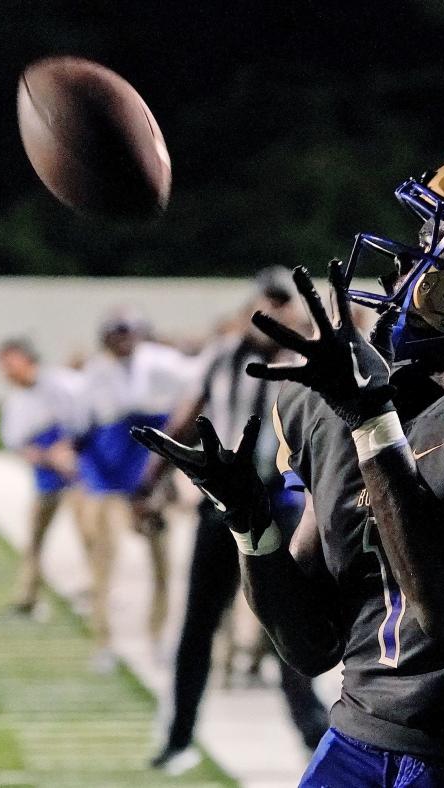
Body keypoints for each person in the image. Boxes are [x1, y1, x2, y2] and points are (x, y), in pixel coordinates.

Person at [136, 150, 444, 786]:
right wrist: (251, 525)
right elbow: (311, 642)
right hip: (354, 742)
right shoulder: (349, 400)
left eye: (441, 244)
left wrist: (374, 425)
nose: (409, 262)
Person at [139, 267, 329, 774]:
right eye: (263, 304)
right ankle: (179, 735)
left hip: (283, 506)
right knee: (198, 623)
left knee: (289, 627)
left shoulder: (306, 363)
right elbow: (185, 417)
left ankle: (313, 734)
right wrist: (151, 477)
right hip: (220, 508)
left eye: (280, 305)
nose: (271, 315)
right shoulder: (223, 357)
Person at [75, 308, 196, 672]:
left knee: (161, 565)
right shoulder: (95, 375)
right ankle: (104, 641)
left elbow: (197, 384)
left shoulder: (160, 364)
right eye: (117, 334)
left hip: (148, 483)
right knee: (103, 566)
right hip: (109, 482)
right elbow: (83, 430)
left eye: (128, 333)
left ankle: (156, 637)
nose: (124, 341)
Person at [0, 337, 82, 616]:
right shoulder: (14, 402)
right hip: (46, 476)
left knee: (90, 535)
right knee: (34, 539)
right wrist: (47, 458)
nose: (6, 370)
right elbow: (15, 444)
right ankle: (27, 596)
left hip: (78, 472)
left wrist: (68, 449)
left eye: (10, 362)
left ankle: (93, 590)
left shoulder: (59, 383)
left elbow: (85, 419)